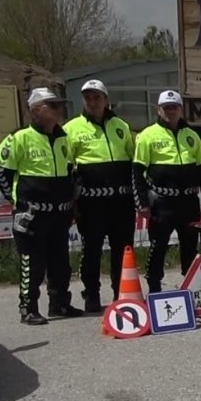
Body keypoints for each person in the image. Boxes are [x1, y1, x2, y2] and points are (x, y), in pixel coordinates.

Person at [0, 88, 83, 324]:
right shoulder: (19, 137)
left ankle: (60, 303)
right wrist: (15, 201)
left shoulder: (64, 137)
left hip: (59, 214)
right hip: (31, 214)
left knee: (60, 263)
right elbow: (2, 169)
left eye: (59, 104)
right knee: (31, 264)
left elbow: (69, 172)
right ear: (36, 110)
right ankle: (28, 308)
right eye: (52, 105)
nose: (59, 109)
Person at [64, 79, 136, 311]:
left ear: (106, 100)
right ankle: (91, 295)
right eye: (88, 98)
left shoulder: (121, 126)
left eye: (97, 97)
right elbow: (66, 167)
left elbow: (132, 160)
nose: (92, 102)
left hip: (121, 203)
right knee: (92, 250)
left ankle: (121, 293)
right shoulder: (71, 128)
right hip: (91, 204)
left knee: (123, 249)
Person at [132, 90, 201, 292]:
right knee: (158, 247)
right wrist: (142, 203)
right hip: (162, 203)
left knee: (189, 246)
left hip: (189, 201)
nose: (170, 111)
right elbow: (137, 173)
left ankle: (190, 287)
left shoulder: (192, 135)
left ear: (181, 109)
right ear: (159, 110)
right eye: (166, 108)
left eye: (174, 107)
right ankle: (154, 287)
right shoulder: (147, 135)